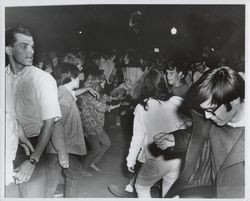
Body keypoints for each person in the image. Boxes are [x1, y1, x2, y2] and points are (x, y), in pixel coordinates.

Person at [154, 66, 245, 198]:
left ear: (234, 100)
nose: (207, 117)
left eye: (211, 110)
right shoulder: (215, 117)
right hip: (208, 189)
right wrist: (175, 139)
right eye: (205, 111)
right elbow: (202, 136)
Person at [5, 26, 62, 197]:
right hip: (7, 142)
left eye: (32, 46)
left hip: (32, 146)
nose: (31, 51)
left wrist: (33, 160)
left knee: (31, 196)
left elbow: (49, 124)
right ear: (8, 49)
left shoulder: (43, 79)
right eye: (24, 46)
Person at [125, 68, 188, 198]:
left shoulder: (143, 107)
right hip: (178, 157)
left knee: (141, 187)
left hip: (157, 159)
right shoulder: (177, 101)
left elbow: (137, 137)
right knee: (170, 194)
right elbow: (187, 129)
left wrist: (130, 160)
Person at [45, 62, 97, 198]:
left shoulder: (63, 92)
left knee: (51, 181)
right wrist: (62, 154)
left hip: (57, 146)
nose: (81, 78)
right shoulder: (64, 98)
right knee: (73, 174)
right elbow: (56, 126)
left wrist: (87, 89)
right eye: (78, 76)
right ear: (72, 78)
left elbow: (73, 94)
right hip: (60, 147)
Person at [78, 71, 120, 175]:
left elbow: (104, 97)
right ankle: (83, 170)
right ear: (96, 83)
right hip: (89, 126)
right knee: (95, 149)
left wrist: (115, 98)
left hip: (97, 125)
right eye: (103, 82)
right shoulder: (89, 96)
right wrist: (117, 106)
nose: (104, 83)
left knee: (106, 143)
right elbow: (101, 107)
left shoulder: (97, 92)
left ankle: (93, 162)